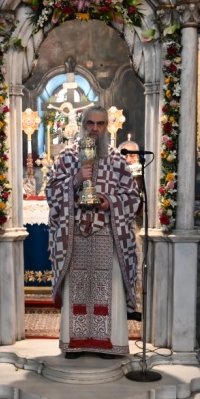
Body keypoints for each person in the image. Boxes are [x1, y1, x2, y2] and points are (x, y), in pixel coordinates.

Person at [46, 106, 140, 359]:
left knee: (107, 289)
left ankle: (109, 343)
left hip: (106, 234)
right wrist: (75, 179)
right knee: (77, 288)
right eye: (90, 123)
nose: (94, 129)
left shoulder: (117, 159)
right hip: (75, 234)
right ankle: (74, 343)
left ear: (106, 127)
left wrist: (110, 202)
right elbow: (51, 192)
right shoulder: (67, 156)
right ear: (82, 124)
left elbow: (132, 196)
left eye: (100, 124)